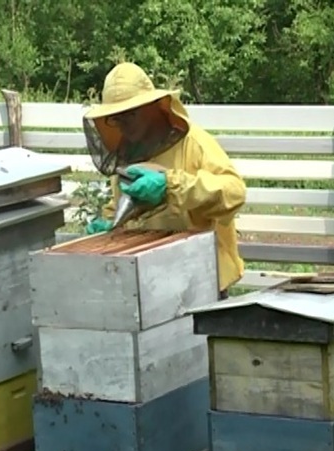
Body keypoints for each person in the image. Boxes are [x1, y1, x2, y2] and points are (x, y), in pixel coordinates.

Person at [82, 62, 247, 299]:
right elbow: (120, 204)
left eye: (131, 114)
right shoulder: (128, 153)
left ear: (152, 107)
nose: (124, 124)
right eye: (116, 118)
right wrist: (108, 223)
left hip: (203, 274)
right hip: (153, 278)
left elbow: (234, 191)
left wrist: (171, 186)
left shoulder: (194, 142)